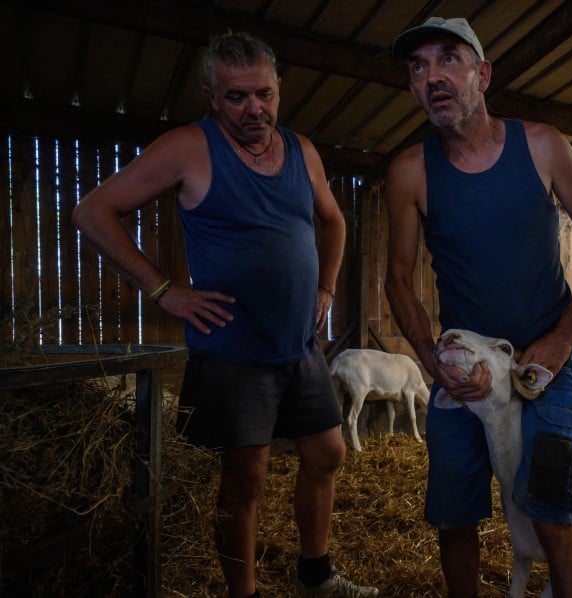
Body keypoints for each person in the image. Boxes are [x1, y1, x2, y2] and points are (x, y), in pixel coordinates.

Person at [72, 31, 378, 598]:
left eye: (263, 93)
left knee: (328, 452)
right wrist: (164, 289)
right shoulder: (190, 147)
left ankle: (315, 574)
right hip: (233, 346)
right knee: (246, 478)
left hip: (298, 343)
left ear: (279, 88)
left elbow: (333, 220)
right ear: (212, 96)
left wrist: (328, 287)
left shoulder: (301, 150)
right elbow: (93, 211)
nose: (253, 108)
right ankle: (245, 593)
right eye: (236, 97)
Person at [384, 17, 572, 598]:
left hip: (543, 364)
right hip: (464, 368)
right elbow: (396, 279)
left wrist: (565, 338)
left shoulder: (542, 145)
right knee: (454, 514)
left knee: (554, 507)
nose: (432, 77)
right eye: (418, 67)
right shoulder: (411, 171)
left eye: (449, 60)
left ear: (483, 74)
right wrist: (430, 359)